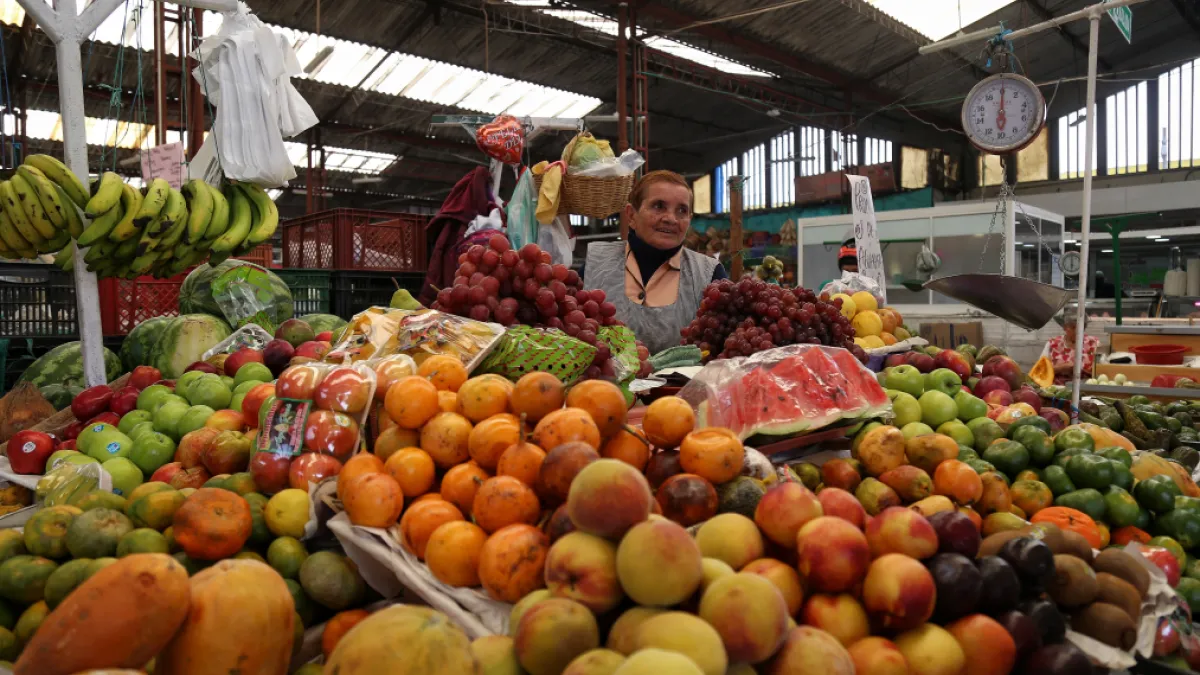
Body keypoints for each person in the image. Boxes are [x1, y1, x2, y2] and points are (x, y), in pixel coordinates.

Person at [582, 170, 728, 354]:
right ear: (631, 215)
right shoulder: (595, 263)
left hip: (685, 384)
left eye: (682, 210)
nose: (671, 219)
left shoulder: (709, 274)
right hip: (601, 383)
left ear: (689, 220)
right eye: (659, 206)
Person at [1043, 309, 1101, 384]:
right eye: (1073, 327)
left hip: (1085, 390)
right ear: (1064, 327)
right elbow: (1041, 371)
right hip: (1056, 390)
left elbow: (1102, 372)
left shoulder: (1094, 344)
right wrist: (1060, 368)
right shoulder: (1052, 344)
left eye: (1080, 328)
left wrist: (1084, 370)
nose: (1077, 331)